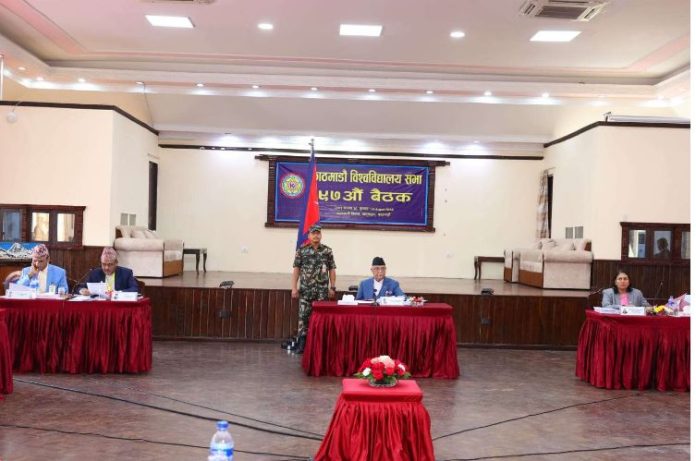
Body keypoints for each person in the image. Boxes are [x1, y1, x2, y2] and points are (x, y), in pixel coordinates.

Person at [291, 224, 336, 353]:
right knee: (303, 319)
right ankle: (302, 344)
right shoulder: (302, 251)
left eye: (318, 233)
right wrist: (294, 288)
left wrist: (332, 287)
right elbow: (296, 270)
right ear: (309, 235)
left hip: (322, 292)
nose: (316, 235)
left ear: (321, 235)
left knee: (321, 319)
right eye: (313, 233)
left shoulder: (327, 251)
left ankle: (320, 345)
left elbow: (332, 269)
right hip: (306, 291)